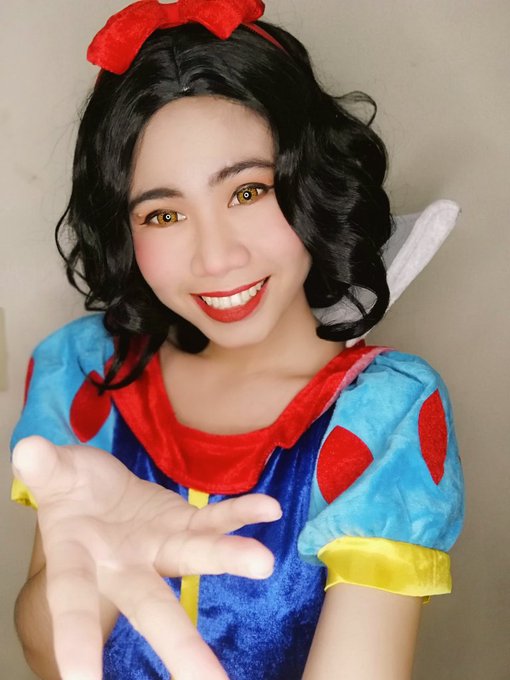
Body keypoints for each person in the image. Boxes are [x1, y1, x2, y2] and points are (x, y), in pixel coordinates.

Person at [10, 1, 464, 678]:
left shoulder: (385, 414)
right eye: (163, 214)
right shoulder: (85, 372)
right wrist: (100, 568)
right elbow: (51, 658)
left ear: (309, 181)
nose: (216, 257)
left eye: (248, 192)